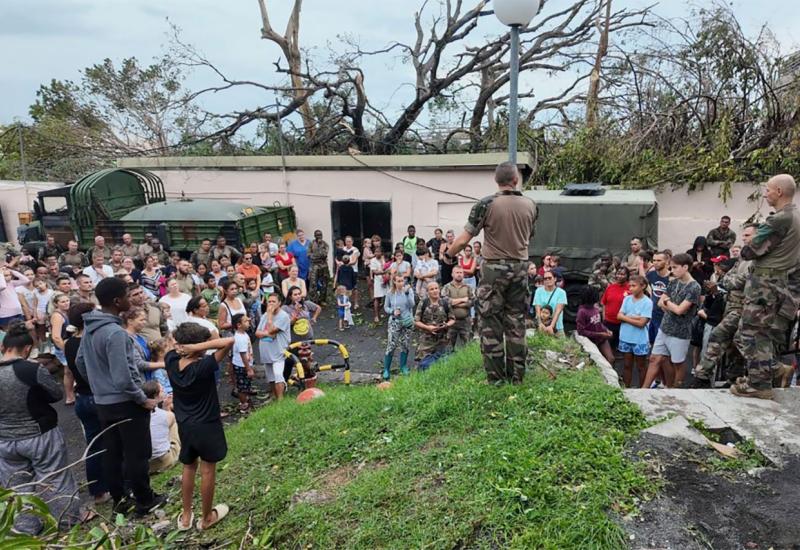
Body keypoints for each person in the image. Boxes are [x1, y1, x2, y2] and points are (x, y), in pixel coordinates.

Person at [76, 277, 164, 516]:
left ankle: (120, 500)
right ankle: (145, 500)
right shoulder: (116, 333)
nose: (130, 298)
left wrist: (98, 384)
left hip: (103, 403)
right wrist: (141, 398)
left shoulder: (90, 329)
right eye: (127, 295)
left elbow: (80, 362)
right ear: (117, 301)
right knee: (137, 453)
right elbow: (123, 377)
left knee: (112, 453)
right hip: (125, 403)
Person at [443, 163, 536, 384]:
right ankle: (517, 376)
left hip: (494, 269)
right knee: (516, 321)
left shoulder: (486, 204)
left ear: (496, 180)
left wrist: (448, 254)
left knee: (490, 323)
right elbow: (528, 236)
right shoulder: (531, 205)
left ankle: (495, 379)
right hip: (521, 267)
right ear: (516, 180)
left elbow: (465, 239)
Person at [0, 322, 84, 533]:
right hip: (39, 433)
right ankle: (67, 523)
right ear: (27, 349)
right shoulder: (32, 369)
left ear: (3, 347)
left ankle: (26, 530)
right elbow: (56, 394)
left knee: (18, 486)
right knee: (56, 478)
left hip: (5, 439)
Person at [731, 174, 800, 399]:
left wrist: (749, 243)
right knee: (758, 332)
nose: (765, 194)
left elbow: (750, 250)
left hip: (764, 283)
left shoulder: (779, 219)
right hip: (779, 280)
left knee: (752, 333)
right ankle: (770, 372)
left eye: (768, 190)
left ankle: (760, 385)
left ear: (779, 192)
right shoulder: (796, 216)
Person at [167, 324, 233, 531]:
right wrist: (198, 346)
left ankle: (186, 517)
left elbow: (171, 340)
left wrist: (189, 347)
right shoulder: (203, 366)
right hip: (207, 424)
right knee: (207, 470)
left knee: (188, 466)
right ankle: (206, 518)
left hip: (185, 423)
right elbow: (228, 341)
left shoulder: (171, 360)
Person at [691, 226, 756, 388]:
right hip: (731, 306)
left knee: (719, 336)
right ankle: (734, 378)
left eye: (748, 235)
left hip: (745, 308)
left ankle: (702, 376)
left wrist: (727, 282)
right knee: (734, 347)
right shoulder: (744, 255)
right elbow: (729, 278)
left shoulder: (760, 259)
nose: (744, 237)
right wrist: (726, 282)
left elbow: (736, 281)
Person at [65, 302, 110, 504]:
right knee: (113, 441)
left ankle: (98, 492)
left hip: (82, 397)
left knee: (93, 445)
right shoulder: (92, 340)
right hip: (98, 396)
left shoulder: (69, 344)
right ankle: (118, 484)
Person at [641, 253, 701, 389]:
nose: (671, 271)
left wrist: (668, 303)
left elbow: (681, 310)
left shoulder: (694, 287)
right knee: (654, 359)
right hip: (665, 327)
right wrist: (670, 305)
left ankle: (676, 389)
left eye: (674, 267)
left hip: (680, 332)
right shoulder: (673, 282)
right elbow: (660, 303)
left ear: (685, 267)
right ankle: (644, 389)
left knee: (678, 363)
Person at [617, 275, 653, 388]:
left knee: (641, 367)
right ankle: (627, 388)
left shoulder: (647, 302)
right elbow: (619, 315)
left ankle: (642, 389)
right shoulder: (627, 299)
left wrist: (626, 317)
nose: (631, 288)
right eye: (630, 286)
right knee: (627, 365)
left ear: (643, 286)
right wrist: (636, 317)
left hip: (639, 340)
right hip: (625, 337)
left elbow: (642, 324)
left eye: (634, 286)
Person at [256, 293, 291, 401]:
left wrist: (270, 316)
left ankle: (280, 400)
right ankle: (273, 396)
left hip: (278, 351)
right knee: (270, 377)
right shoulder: (264, 315)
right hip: (266, 351)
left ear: (279, 303)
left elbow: (272, 330)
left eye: (273, 301)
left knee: (278, 375)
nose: (270, 304)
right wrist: (267, 333)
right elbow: (257, 333)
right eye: (269, 301)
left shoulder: (283, 316)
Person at [414, 281, 455, 369]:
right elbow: (416, 321)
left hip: (443, 340)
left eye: (436, 288)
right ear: (428, 292)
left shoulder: (445, 302)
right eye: (431, 289)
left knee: (444, 364)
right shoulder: (423, 303)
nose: (434, 291)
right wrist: (428, 328)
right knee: (423, 365)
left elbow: (452, 319)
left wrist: (446, 325)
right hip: (426, 341)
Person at [142, 381, 181, 474]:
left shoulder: (137, 415)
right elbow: (165, 420)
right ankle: (178, 449)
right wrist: (167, 408)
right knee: (173, 423)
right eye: (162, 391)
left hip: (146, 464)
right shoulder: (166, 415)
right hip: (164, 460)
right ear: (156, 396)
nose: (165, 393)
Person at [382, 275, 415, 380]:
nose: (401, 283)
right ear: (394, 282)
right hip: (395, 322)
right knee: (391, 345)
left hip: (407, 322)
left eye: (402, 281)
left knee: (405, 344)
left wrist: (406, 293)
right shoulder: (390, 293)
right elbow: (386, 307)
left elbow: (412, 304)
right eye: (399, 281)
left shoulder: (408, 291)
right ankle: (386, 369)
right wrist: (392, 311)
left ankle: (403, 366)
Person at [576, 286, 616, 365]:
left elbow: (598, 323)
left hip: (601, 339)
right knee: (595, 362)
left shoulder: (595, 308)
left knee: (611, 359)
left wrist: (606, 330)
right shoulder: (582, 312)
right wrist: (600, 334)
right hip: (590, 341)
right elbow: (581, 331)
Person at [441, 266, 475, 350]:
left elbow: (473, 301)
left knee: (468, 347)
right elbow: (444, 302)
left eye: (461, 273)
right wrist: (463, 300)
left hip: (465, 321)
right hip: (450, 322)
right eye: (457, 272)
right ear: (452, 274)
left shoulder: (468, 287)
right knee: (448, 349)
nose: (459, 274)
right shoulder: (447, 287)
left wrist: (454, 303)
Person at [49, 292, 74, 403]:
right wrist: (66, 350)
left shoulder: (66, 313)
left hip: (68, 344)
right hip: (63, 347)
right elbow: (56, 337)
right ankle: (69, 396)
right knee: (68, 371)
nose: (66, 303)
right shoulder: (57, 316)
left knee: (71, 371)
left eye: (67, 300)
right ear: (56, 304)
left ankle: (72, 393)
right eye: (62, 302)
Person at [601, 267, 630, 350]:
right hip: (608, 323)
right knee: (608, 346)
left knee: (620, 347)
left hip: (623, 324)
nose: (620, 276)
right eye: (618, 274)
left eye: (622, 274)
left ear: (627, 276)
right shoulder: (610, 287)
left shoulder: (630, 288)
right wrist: (604, 318)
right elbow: (604, 304)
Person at [230, 314, 254, 413]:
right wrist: (248, 369)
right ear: (239, 325)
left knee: (245, 384)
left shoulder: (244, 334)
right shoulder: (240, 338)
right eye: (246, 321)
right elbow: (243, 354)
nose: (248, 322)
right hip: (242, 366)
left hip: (245, 364)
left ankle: (245, 399)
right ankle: (244, 404)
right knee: (242, 386)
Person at [645, 252, 671, 343]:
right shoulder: (651, 275)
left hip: (666, 317)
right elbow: (645, 287)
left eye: (659, 260)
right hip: (653, 315)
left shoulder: (673, 278)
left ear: (667, 262)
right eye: (654, 260)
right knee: (652, 343)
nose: (655, 263)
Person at [533, 271, 568, 337]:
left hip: (557, 327)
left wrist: (551, 326)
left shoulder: (562, 293)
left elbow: (558, 311)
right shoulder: (538, 291)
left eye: (549, 278)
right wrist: (540, 323)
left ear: (555, 279)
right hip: (541, 326)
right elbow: (537, 309)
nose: (547, 280)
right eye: (545, 278)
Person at [0, 265, 29, 330]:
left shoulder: (12, 283)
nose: (8, 277)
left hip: (18, 311)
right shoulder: (2, 284)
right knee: (8, 333)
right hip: (6, 314)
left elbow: (26, 280)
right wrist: (1, 273)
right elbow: (2, 286)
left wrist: (12, 271)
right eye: (6, 275)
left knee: (21, 331)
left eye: (9, 275)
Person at [308, 230, 330, 304]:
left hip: (323, 265)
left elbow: (324, 254)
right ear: (315, 236)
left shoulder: (325, 244)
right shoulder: (311, 243)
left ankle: (322, 300)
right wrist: (316, 256)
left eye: (320, 235)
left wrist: (315, 255)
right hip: (314, 266)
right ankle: (313, 300)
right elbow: (308, 254)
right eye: (317, 235)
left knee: (324, 283)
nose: (319, 236)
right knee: (313, 283)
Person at [369, 249, 388, 323]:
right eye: (376, 252)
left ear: (381, 252)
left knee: (387, 297)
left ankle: (386, 313)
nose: (377, 253)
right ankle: (376, 315)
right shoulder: (373, 260)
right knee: (377, 298)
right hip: (378, 280)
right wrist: (383, 272)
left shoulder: (384, 258)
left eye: (379, 251)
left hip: (386, 280)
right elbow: (375, 272)